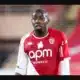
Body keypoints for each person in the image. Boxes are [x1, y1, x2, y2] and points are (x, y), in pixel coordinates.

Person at [15, 9, 70, 75]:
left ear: (47, 20)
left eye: (41, 18)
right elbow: (21, 68)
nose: (37, 21)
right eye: (34, 19)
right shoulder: (25, 39)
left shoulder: (59, 36)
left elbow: (65, 64)